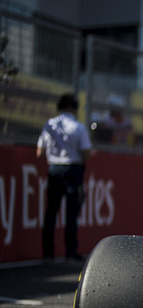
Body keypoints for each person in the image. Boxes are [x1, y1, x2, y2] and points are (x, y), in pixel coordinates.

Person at [36, 93, 92, 262]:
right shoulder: (78, 127)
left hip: (54, 169)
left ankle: (47, 252)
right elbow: (86, 153)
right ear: (74, 108)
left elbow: (39, 152)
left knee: (51, 211)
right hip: (73, 169)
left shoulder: (50, 125)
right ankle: (70, 252)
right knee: (71, 212)